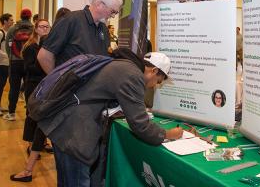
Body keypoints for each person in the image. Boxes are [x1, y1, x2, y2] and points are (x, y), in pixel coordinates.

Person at [39, 50, 183, 186]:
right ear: (154, 71)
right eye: (158, 81)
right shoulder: (133, 75)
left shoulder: (124, 65)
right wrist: (167, 134)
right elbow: (140, 125)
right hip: (74, 133)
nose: (155, 86)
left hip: (64, 125)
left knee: (66, 181)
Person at [38, 0, 123, 74]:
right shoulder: (70, 20)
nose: (113, 16)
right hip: (71, 86)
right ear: (99, 5)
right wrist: (58, 81)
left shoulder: (104, 29)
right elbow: (44, 56)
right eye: (112, 11)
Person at [10, 19, 50, 182]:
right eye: (42, 26)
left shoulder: (47, 46)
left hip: (45, 85)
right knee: (32, 116)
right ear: (36, 29)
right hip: (33, 86)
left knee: (41, 118)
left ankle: (41, 144)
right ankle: (30, 145)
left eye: (47, 26)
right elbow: (29, 68)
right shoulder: (30, 46)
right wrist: (46, 64)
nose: (45, 29)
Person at [3, 8, 33, 121]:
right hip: (28, 62)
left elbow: (7, 46)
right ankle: (29, 114)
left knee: (14, 89)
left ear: (20, 16)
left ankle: (11, 113)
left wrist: (13, 56)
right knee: (29, 88)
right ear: (30, 17)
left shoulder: (12, 28)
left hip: (15, 62)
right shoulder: (33, 29)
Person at [0, 13, 14, 116]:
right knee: (0, 85)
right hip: (0, 63)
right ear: (5, 21)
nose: (12, 22)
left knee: (2, 84)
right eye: (11, 20)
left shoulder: (8, 32)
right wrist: (7, 55)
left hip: (6, 62)